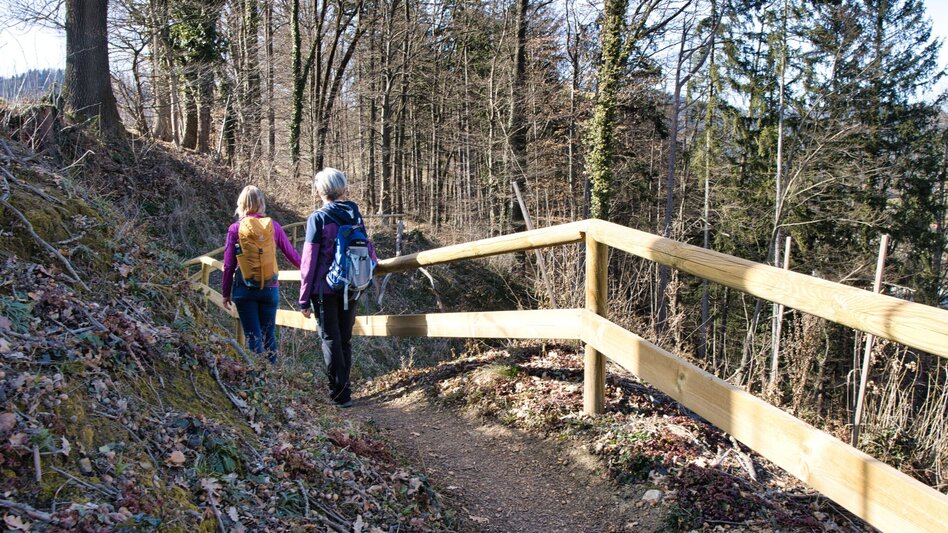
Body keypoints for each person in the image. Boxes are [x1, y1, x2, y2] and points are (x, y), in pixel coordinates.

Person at [299, 168, 377, 408]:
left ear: (320, 190)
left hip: (324, 289)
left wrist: (303, 298)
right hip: (352, 285)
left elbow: (309, 260)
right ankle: (345, 391)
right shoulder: (354, 213)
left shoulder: (318, 218)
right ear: (342, 188)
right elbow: (366, 245)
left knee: (330, 338)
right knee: (344, 339)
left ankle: (340, 394)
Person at [222, 185, 301, 362]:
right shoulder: (273, 226)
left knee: (253, 339)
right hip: (270, 289)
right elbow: (293, 256)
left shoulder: (235, 229)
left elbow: (229, 265)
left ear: (241, 204)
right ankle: (273, 380)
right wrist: (310, 271)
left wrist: (225, 293)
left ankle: (260, 380)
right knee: (269, 337)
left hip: (244, 289)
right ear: (262, 204)